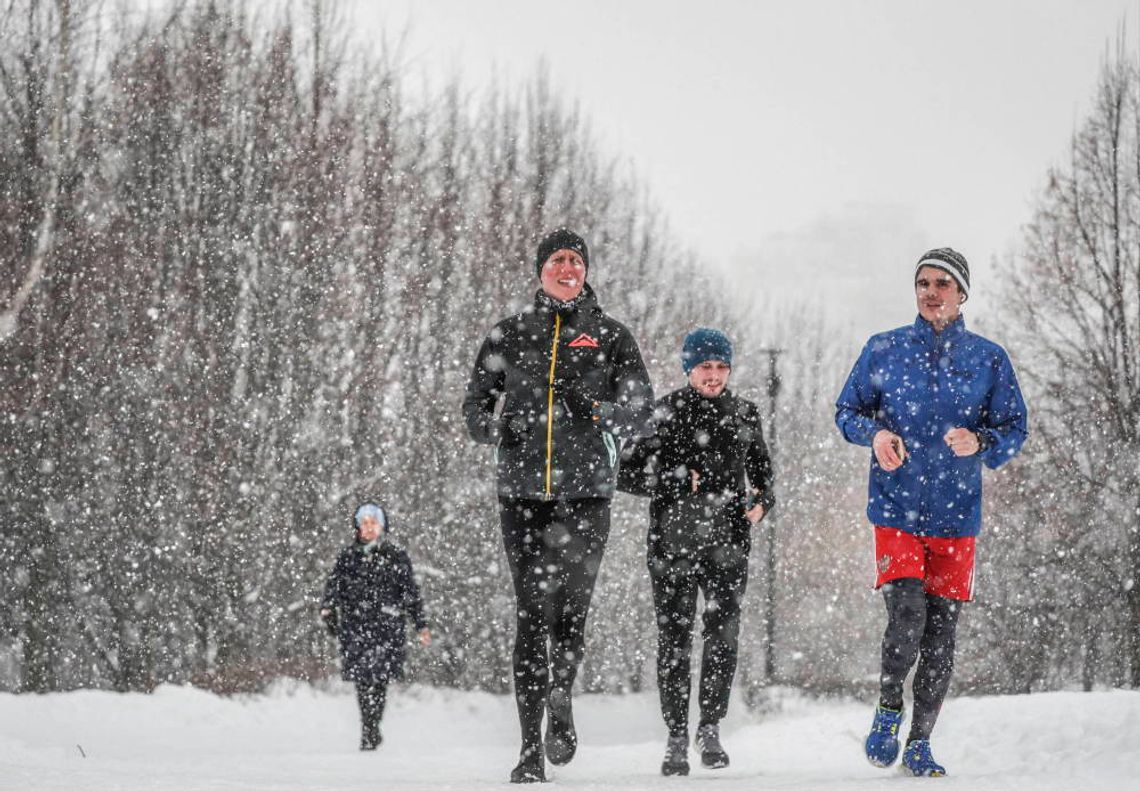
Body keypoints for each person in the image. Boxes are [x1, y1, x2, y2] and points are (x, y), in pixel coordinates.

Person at [463, 228, 655, 783]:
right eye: (557, 260)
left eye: (575, 260)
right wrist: (495, 427)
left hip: (586, 496)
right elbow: (475, 402)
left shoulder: (609, 336)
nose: (566, 268)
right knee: (530, 616)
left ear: (586, 271)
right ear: (540, 271)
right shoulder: (511, 332)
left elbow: (640, 412)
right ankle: (528, 751)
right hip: (522, 496)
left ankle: (561, 696)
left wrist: (595, 409)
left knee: (569, 613)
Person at [835, 247, 1027, 777]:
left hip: (957, 516)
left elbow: (1015, 428)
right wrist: (874, 436)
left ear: (962, 293)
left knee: (942, 634)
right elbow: (846, 411)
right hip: (896, 507)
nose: (931, 292)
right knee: (906, 617)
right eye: (923, 282)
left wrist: (982, 441)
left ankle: (920, 742)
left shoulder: (988, 358)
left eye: (943, 283)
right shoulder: (884, 349)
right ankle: (889, 707)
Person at [618, 328, 775, 776]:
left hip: (728, 545)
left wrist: (759, 504)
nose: (714, 375)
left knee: (723, 640)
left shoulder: (744, 414)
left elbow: (764, 478)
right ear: (689, 368)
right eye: (705, 366)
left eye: (721, 366)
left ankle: (709, 727)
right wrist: (669, 481)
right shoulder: (663, 412)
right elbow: (624, 474)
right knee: (675, 641)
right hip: (673, 545)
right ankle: (673, 736)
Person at [320, 502, 431, 751]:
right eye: (364, 523)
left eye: (373, 523)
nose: (369, 528)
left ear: (382, 526)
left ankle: (373, 725)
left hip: (387, 627)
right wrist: (328, 608)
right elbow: (334, 586)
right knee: (361, 679)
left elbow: (410, 593)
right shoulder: (348, 557)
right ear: (357, 527)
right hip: (355, 626)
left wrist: (421, 625)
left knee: (380, 679)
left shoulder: (396, 556)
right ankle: (368, 726)